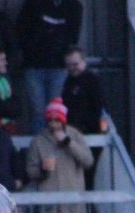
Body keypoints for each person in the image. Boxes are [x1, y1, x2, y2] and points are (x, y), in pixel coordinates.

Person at [26, 97, 93, 213]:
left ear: (63, 120)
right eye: (51, 120)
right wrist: (43, 170)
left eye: (58, 120)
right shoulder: (39, 141)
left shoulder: (75, 136)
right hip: (49, 203)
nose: (54, 124)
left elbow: (88, 161)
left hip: (74, 202)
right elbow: (30, 171)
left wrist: (69, 143)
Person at [15, 0, 82, 134]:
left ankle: (55, 145)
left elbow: (73, 36)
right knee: (38, 111)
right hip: (34, 65)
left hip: (58, 67)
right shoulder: (33, 4)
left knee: (56, 110)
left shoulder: (74, 6)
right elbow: (21, 31)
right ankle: (40, 148)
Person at [62, 45, 106, 189]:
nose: (72, 68)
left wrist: (84, 126)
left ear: (84, 62)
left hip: (89, 134)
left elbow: (97, 107)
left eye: (75, 64)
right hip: (74, 134)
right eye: (68, 65)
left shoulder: (92, 80)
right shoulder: (68, 82)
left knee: (88, 174)